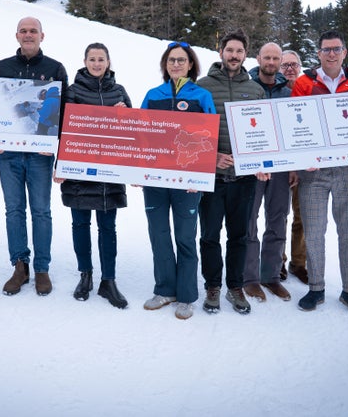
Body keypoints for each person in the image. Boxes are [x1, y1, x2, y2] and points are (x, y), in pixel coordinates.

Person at [291, 30, 348, 320]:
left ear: (344, 52)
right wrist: (302, 159)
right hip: (314, 171)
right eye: (326, 49)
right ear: (318, 53)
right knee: (314, 231)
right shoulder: (304, 83)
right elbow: (295, 124)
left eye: (336, 49)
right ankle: (316, 287)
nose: (331, 54)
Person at [0, 17, 68, 296]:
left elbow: (65, 113)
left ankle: (42, 268)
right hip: (8, 153)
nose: (28, 35)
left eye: (33, 31)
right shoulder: (2, 67)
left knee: (41, 211)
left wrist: (59, 151)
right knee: (14, 210)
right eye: (23, 31)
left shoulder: (55, 69)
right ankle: (20, 266)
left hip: (40, 153)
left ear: (41, 36)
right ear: (16, 36)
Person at [141, 41, 216, 320]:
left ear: (191, 64)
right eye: (171, 60)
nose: (176, 64)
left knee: (185, 237)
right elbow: (141, 134)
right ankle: (165, 290)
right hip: (156, 179)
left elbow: (209, 137)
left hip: (188, 180)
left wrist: (201, 174)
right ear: (165, 64)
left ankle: (186, 295)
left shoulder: (202, 96)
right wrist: (136, 170)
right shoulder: (153, 95)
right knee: (159, 234)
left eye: (181, 60)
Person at [55, 43, 132, 308]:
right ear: (85, 61)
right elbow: (63, 130)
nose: (96, 64)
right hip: (79, 171)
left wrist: (125, 116)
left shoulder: (119, 91)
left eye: (101, 59)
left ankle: (108, 280)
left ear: (108, 62)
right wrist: (61, 165)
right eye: (92, 59)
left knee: (108, 227)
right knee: (80, 224)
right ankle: (85, 275)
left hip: (110, 172)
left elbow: (132, 133)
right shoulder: (73, 91)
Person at [196, 29, 265, 315]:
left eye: (239, 51)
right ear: (220, 52)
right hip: (211, 178)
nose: (234, 55)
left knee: (239, 236)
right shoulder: (202, 86)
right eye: (229, 50)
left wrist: (263, 163)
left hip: (244, 179)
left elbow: (264, 133)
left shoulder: (256, 90)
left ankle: (235, 286)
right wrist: (211, 158)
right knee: (210, 235)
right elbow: (193, 131)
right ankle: (212, 285)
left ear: (246, 55)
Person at [243, 42, 295, 303]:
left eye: (276, 58)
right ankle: (250, 277)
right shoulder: (248, 88)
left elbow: (297, 132)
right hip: (252, 166)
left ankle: (271, 275)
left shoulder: (289, 92)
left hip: (281, 166)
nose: (272, 62)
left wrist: (295, 165)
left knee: (278, 218)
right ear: (258, 59)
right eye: (267, 57)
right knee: (249, 220)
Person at [279, 49, 308, 284]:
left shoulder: (308, 90)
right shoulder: (274, 91)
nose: (289, 68)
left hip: (304, 164)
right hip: (280, 163)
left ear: (300, 67)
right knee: (279, 215)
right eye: (285, 65)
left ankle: (299, 262)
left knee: (302, 215)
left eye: (293, 64)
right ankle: (277, 260)